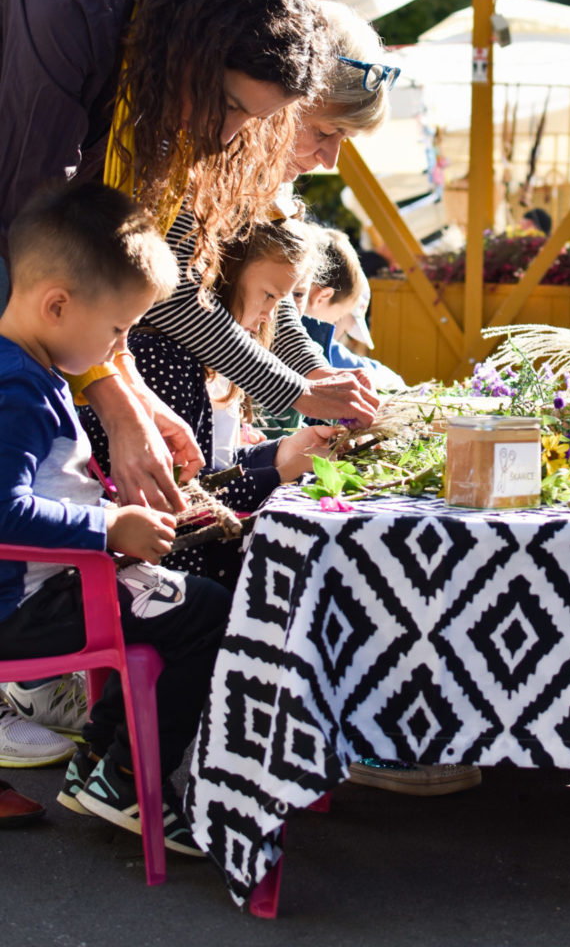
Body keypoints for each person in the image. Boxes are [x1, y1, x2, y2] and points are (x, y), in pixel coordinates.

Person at [0, 0, 338, 513]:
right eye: (227, 104)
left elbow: (109, 241)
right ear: (191, 51)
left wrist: (133, 392)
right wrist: (117, 404)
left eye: (252, 120)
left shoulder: (150, 49)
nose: (225, 136)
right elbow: (33, 233)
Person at [0, 182, 231, 850]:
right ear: (57, 305)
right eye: (116, 330)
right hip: (22, 610)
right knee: (205, 611)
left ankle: (98, 764)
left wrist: (115, 520)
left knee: (179, 600)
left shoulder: (32, 371)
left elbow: (50, 491)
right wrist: (107, 529)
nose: (118, 349)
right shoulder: (17, 389)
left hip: (48, 591)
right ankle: (126, 780)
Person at [137, 0, 395, 444]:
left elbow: (278, 300)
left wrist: (315, 373)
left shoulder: (268, 176)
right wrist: (298, 390)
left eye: (344, 140)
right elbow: (171, 295)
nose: (330, 159)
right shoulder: (199, 155)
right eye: (324, 132)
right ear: (283, 102)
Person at [81, 217, 340, 585]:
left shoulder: (198, 364)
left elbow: (211, 466)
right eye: (269, 295)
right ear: (225, 277)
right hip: (158, 570)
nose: (271, 315)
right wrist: (278, 475)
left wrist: (282, 451)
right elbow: (182, 501)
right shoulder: (162, 359)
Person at [300, 226, 405, 391]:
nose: (340, 334)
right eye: (336, 319)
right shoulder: (307, 342)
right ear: (321, 297)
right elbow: (342, 360)